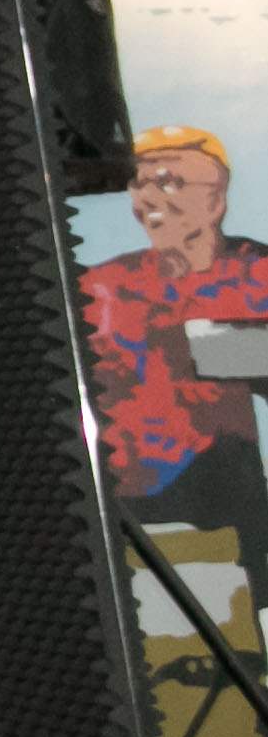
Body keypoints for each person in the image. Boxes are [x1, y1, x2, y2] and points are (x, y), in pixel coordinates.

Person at [81, 126, 268, 625]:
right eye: (139, 183)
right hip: (122, 520)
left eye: (168, 181)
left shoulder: (256, 272)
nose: (148, 198)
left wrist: (201, 346)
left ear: (216, 198)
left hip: (225, 512)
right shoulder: (101, 287)